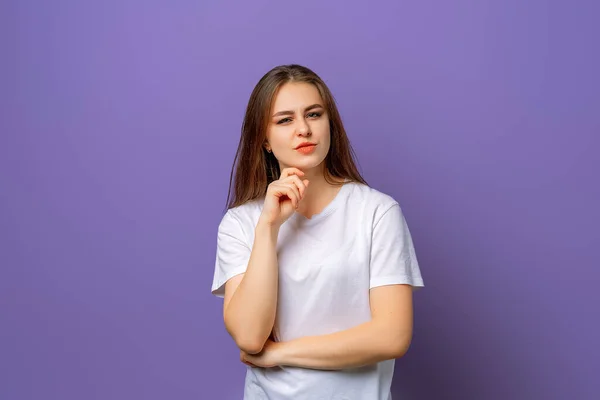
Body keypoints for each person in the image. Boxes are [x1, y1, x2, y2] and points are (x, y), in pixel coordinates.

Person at [211, 64, 424, 399]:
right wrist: (268, 228)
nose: (303, 129)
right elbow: (250, 337)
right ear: (264, 140)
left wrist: (281, 353)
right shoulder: (240, 223)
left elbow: (392, 336)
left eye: (314, 114)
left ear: (330, 125)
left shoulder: (377, 212)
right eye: (285, 120)